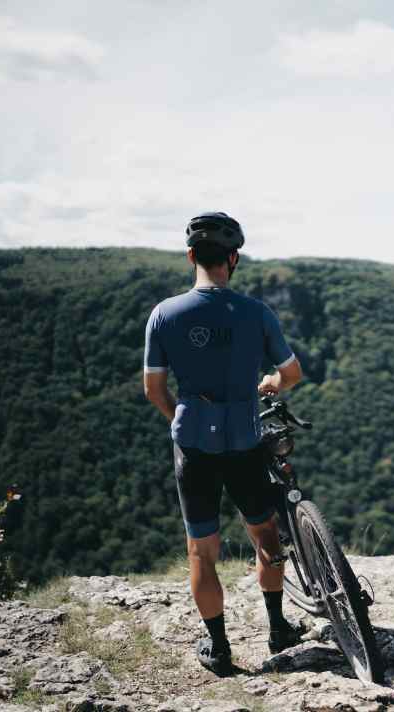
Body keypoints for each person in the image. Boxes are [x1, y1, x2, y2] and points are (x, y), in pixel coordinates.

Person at [143, 212, 307, 675]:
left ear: (191, 255)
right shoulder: (257, 312)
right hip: (244, 438)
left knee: (202, 549)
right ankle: (277, 627)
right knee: (265, 534)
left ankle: (219, 648)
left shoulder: (165, 315)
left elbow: (154, 389)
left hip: (193, 442)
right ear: (233, 259)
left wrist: (184, 416)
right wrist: (270, 384)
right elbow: (291, 373)